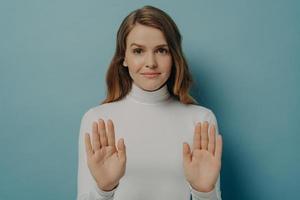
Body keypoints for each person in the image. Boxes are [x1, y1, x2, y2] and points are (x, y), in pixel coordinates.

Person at [77, 5, 223, 200]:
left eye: (161, 50)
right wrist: (104, 189)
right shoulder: (97, 120)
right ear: (124, 58)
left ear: (174, 57)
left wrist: (204, 192)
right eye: (138, 51)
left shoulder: (201, 120)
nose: (151, 62)